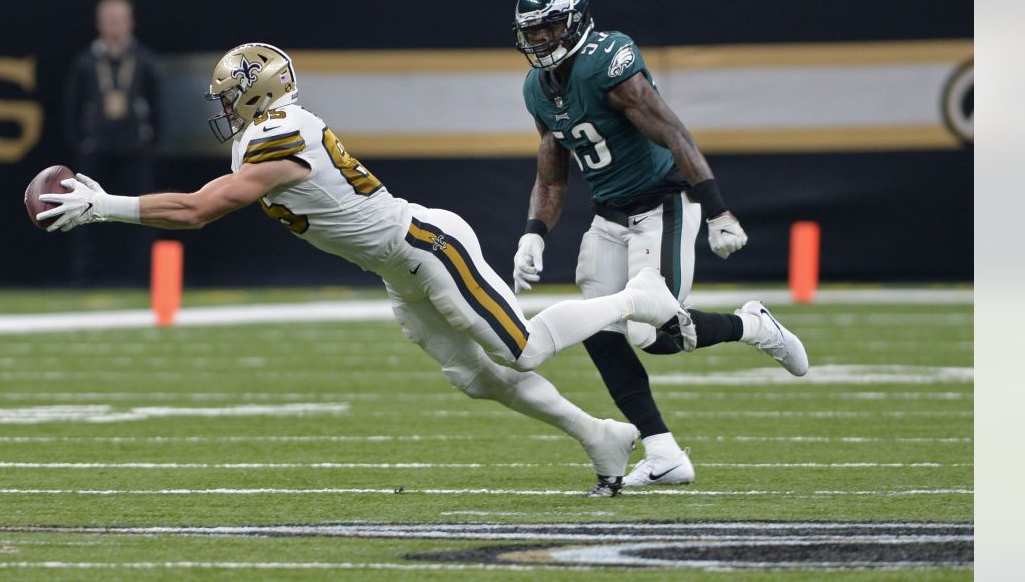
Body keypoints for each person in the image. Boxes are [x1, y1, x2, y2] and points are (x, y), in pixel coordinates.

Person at [38, 42, 694, 497]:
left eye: (230, 95)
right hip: (395, 270)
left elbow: (197, 211)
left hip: (428, 246)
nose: (224, 107)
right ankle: (600, 437)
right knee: (474, 376)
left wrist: (105, 207)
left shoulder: (278, 138)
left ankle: (635, 297)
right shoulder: (265, 133)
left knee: (520, 351)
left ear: (257, 94)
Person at [508, 0, 809, 486]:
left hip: (662, 204)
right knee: (597, 330)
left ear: (577, 20)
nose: (540, 40)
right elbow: (552, 171)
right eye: (532, 31)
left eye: (550, 27)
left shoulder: (609, 61)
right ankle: (663, 451)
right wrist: (534, 232)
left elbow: (672, 131)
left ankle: (754, 326)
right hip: (609, 215)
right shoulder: (537, 89)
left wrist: (718, 212)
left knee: (655, 336)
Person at [61, 0, 163, 285]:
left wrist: (148, 142)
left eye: (119, 19)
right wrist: (82, 143)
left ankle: (142, 279)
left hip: (134, 150)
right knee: (83, 214)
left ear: (131, 22)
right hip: (97, 150)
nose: (114, 26)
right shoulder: (85, 62)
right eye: (109, 20)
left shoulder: (144, 60)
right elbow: (71, 107)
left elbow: (157, 108)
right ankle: (86, 279)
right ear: (99, 24)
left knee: (142, 214)